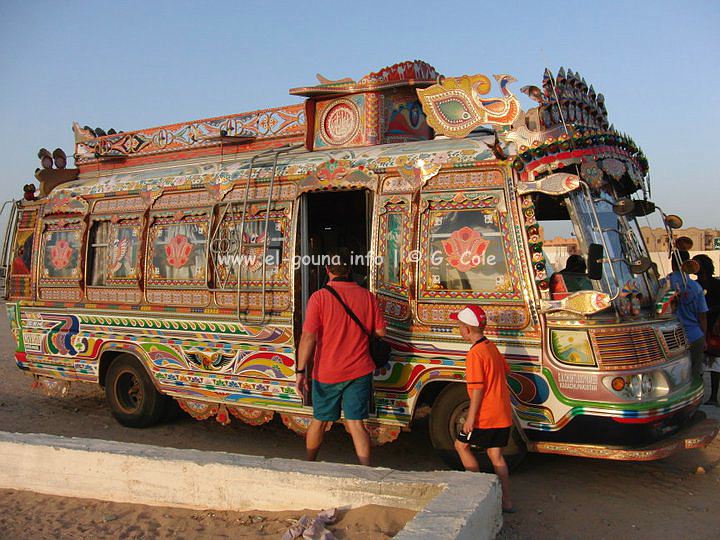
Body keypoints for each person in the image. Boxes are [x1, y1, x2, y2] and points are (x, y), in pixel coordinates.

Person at [295, 247, 386, 465]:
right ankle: (366, 470)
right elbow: (381, 333)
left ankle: (309, 463)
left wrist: (300, 371)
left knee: (319, 421)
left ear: (327, 270)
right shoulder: (368, 297)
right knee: (356, 423)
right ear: (350, 269)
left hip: (327, 372)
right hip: (360, 370)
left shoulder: (318, 298)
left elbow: (308, 338)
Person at [450, 305, 514, 513]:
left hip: (484, 416)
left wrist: (470, 417)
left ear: (467, 330)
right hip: (502, 413)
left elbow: (477, 389)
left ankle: (476, 494)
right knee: (496, 457)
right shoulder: (490, 347)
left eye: (459, 326)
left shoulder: (475, 354)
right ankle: (506, 501)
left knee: (461, 446)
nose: (458, 329)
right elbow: (506, 369)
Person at [667, 250, 708, 379]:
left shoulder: (664, 284)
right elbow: (702, 316)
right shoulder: (696, 287)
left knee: (673, 376)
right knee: (695, 374)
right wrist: (704, 337)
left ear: (672, 264)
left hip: (671, 337)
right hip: (695, 335)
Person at [693, 254, 720, 405]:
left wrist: (711, 314)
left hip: (713, 326)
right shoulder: (695, 285)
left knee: (715, 362)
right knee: (699, 363)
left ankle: (713, 397)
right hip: (700, 326)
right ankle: (700, 395)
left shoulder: (716, 284)